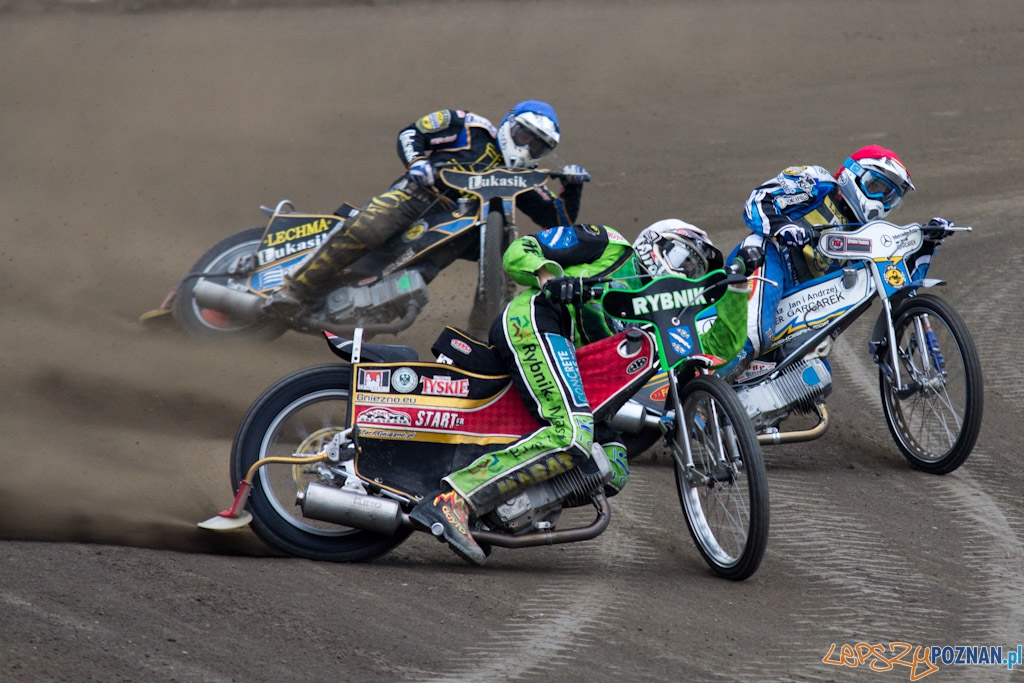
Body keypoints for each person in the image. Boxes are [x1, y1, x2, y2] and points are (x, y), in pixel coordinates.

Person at [409, 219, 763, 565]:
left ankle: (494, 505)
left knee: (613, 463)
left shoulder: (666, 317)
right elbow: (520, 249)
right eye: (680, 256)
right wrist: (551, 278)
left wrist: (736, 284)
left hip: (582, 374)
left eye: (693, 268)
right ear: (651, 244)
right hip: (540, 320)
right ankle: (455, 499)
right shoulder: (609, 244)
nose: (684, 271)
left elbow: (721, 344)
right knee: (573, 435)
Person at [263, 100, 590, 314]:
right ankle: (295, 287)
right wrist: (418, 163)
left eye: (538, 146)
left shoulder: (522, 177)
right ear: (508, 124)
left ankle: (483, 332)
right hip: (418, 196)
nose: (527, 147)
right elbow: (412, 133)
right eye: (524, 136)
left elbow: (557, 223)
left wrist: (571, 189)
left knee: (430, 282)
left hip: (460, 228)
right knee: (373, 224)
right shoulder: (467, 126)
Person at [721, 144, 937, 382]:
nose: (879, 200)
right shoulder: (816, 181)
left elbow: (896, 279)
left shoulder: (868, 236)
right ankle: (699, 398)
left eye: (889, 196)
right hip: (767, 258)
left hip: (801, 299)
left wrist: (924, 242)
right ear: (853, 173)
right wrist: (784, 226)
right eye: (876, 187)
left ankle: (743, 414)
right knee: (755, 335)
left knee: (814, 375)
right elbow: (759, 199)